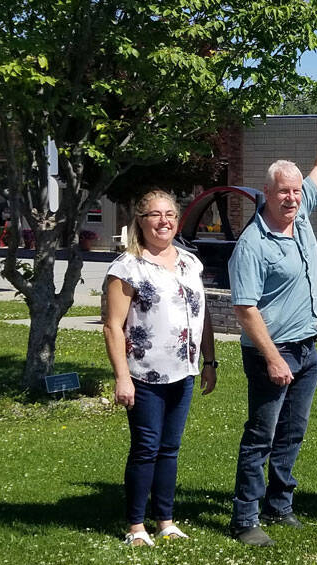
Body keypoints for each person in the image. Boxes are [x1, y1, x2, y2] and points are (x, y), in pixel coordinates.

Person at [227, 83, 317, 547]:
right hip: (273, 352)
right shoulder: (253, 244)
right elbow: (244, 310)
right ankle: (245, 519)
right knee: (260, 436)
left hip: (306, 349)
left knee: (292, 434)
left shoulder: (302, 214)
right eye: (283, 191)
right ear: (266, 193)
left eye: (296, 191)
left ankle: (279, 507)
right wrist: (273, 358)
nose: (291, 198)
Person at [104, 189, 217, 546]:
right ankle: (135, 526)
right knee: (146, 448)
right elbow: (112, 325)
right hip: (144, 375)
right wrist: (122, 377)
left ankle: (165, 521)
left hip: (183, 371)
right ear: (140, 220)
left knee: (170, 448)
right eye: (155, 215)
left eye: (169, 214)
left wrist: (209, 361)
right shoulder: (127, 267)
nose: (163, 221)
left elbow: (203, 315)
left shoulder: (189, 262)